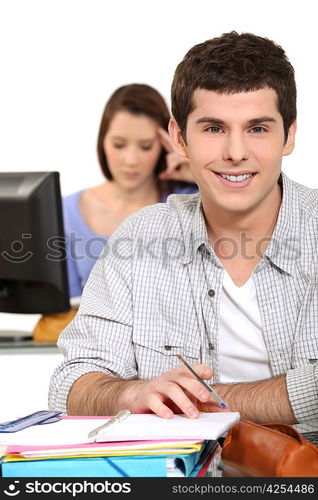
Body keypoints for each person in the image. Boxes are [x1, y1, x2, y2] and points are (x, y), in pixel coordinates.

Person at [49, 31, 318, 425]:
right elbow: (69, 384)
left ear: (289, 135)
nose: (236, 153)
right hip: (175, 480)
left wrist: (200, 402)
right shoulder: (140, 237)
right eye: (213, 129)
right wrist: (132, 392)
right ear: (179, 138)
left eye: (257, 129)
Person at [64, 83, 197, 298]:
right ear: (103, 142)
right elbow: (62, 312)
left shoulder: (192, 201)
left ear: (166, 144)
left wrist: (194, 171)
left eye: (145, 147)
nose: (131, 160)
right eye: (119, 145)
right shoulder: (66, 211)